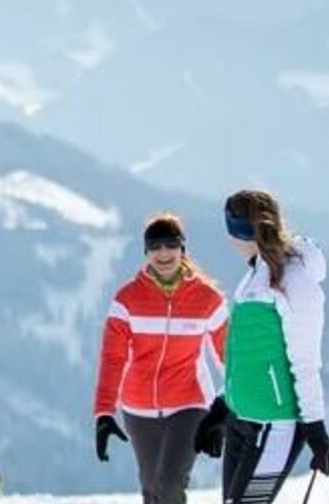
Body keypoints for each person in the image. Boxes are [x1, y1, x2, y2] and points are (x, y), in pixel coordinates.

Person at [197, 190, 329, 504]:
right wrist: (222, 407)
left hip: (274, 424)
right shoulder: (254, 276)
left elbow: (305, 361)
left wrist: (315, 428)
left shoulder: (295, 280)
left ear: (235, 229)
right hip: (242, 418)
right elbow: (248, 356)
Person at [92, 214, 228, 504]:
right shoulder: (127, 299)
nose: (163, 254)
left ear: (182, 250)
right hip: (138, 407)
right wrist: (104, 412)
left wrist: (226, 408)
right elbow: (113, 357)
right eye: (155, 247)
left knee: (168, 486)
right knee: (152, 490)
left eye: (171, 245)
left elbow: (230, 358)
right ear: (146, 252)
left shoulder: (207, 299)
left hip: (190, 404)